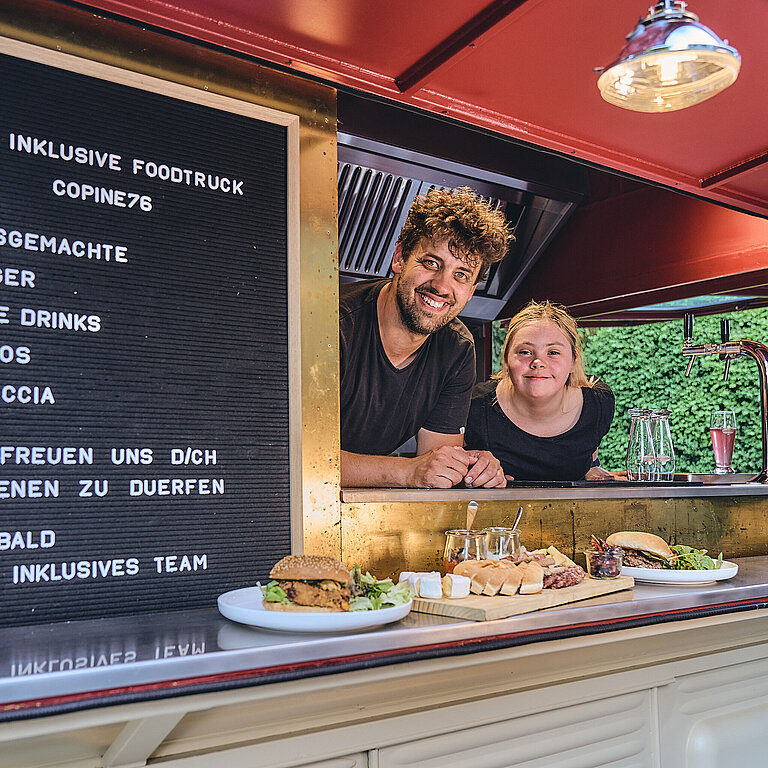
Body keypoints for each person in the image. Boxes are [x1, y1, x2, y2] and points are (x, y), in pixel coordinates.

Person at [340, 186, 512, 488]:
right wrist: (405, 472)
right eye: (431, 262)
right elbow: (290, 454)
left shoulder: (456, 350)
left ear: (471, 292)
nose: (442, 286)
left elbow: (436, 466)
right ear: (399, 258)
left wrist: (470, 470)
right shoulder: (333, 326)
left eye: (461, 275)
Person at [464, 300, 617, 482]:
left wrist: (591, 468)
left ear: (573, 361)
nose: (538, 361)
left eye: (553, 352)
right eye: (525, 352)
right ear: (505, 359)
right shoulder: (473, 407)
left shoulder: (598, 401)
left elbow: (588, 452)